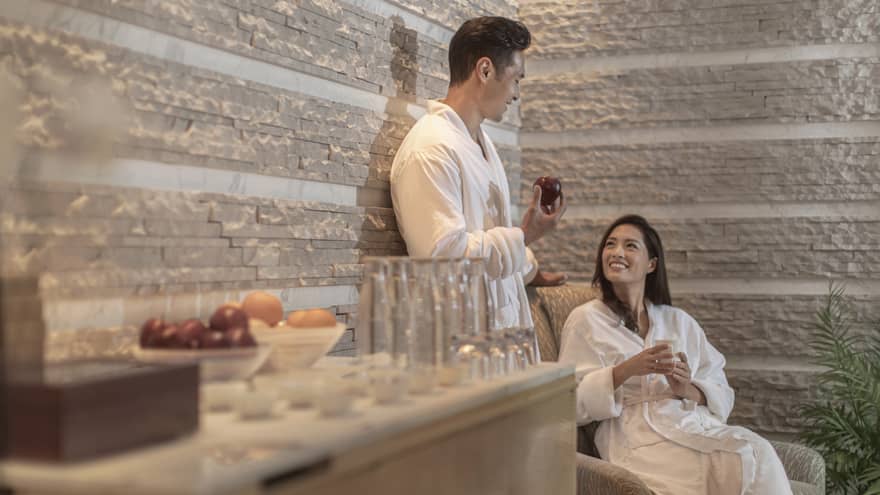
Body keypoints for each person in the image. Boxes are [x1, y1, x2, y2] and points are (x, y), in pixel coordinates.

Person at [558, 214, 793, 495]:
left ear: (652, 264)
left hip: (689, 424)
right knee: (734, 462)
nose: (617, 252)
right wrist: (625, 370)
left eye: (630, 245)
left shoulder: (678, 321)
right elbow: (565, 403)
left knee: (756, 452)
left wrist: (687, 388)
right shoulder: (585, 320)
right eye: (610, 244)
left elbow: (722, 390)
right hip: (635, 439)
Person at [390, 17, 566, 333]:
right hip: (462, 349)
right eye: (516, 80)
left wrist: (527, 266)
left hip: (501, 338)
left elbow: (485, 235)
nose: (516, 94)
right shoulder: (431, 148)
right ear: (485, 71)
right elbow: (443, 259)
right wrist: (525, 235)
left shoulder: (481, 143)